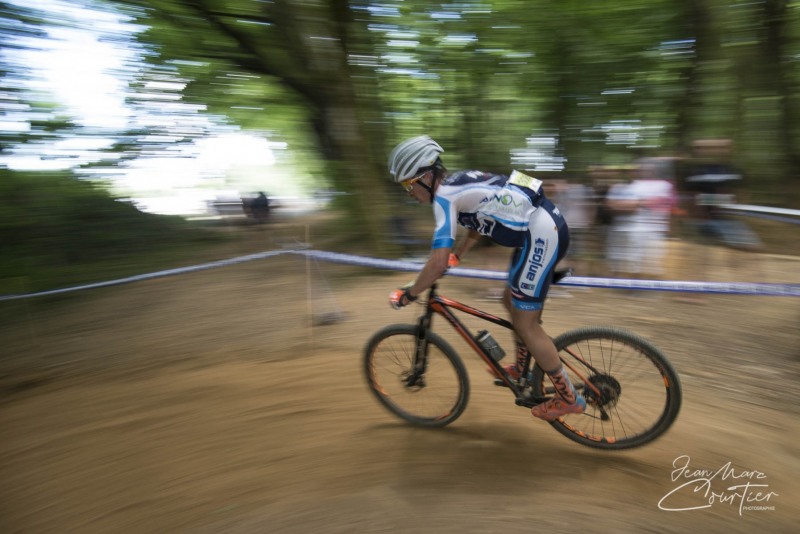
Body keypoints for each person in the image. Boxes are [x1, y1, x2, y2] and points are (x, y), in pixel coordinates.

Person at [385, 135, 585, 421]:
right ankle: (521, 365)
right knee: (509, 300)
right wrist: (461, 253)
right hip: (540, 229)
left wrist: (410, 293)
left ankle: (568, 398)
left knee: (527, 325)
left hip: (541, 235)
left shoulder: (444, 197)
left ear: (426, 176)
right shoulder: (457, 182)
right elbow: (480, 221)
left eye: (408, 185)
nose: (408, 193)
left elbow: (437, 262)